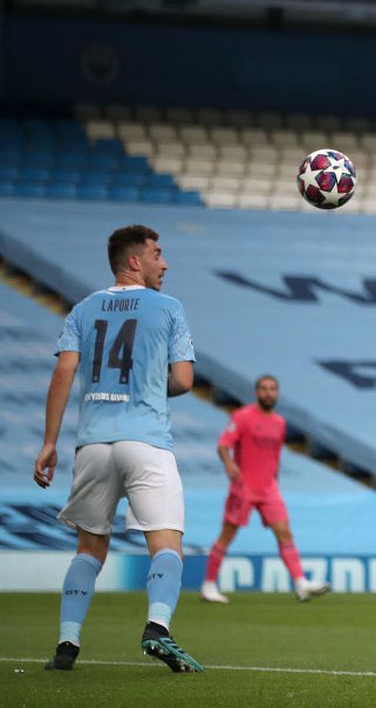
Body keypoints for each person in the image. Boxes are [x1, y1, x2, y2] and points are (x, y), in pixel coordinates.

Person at [35, 224, 202, 673]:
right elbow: (184, 380)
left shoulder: (83, 309)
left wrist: (49, 443)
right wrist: (147, 386)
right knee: (166, 544)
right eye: (157, 253)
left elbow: (63, 374)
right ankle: (158, 627)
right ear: (134, 261)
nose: (164, 263)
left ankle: (67, 644)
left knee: (89, 550)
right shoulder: (169, 307)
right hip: (145, 441)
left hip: (92, 444)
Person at [200, 375, 330, 604]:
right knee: (227, 534)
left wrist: (275, 482)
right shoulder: (242, 417)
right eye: (264, 389)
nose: (268, 393)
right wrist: (229, 464)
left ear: (277, 393)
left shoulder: (280, 423)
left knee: (284, 533)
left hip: (269, 489)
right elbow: (223, 445)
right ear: (256, 392)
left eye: (272, 389)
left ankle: (301, 583)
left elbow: (275, 456)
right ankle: (209, 585)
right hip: (244, 488)